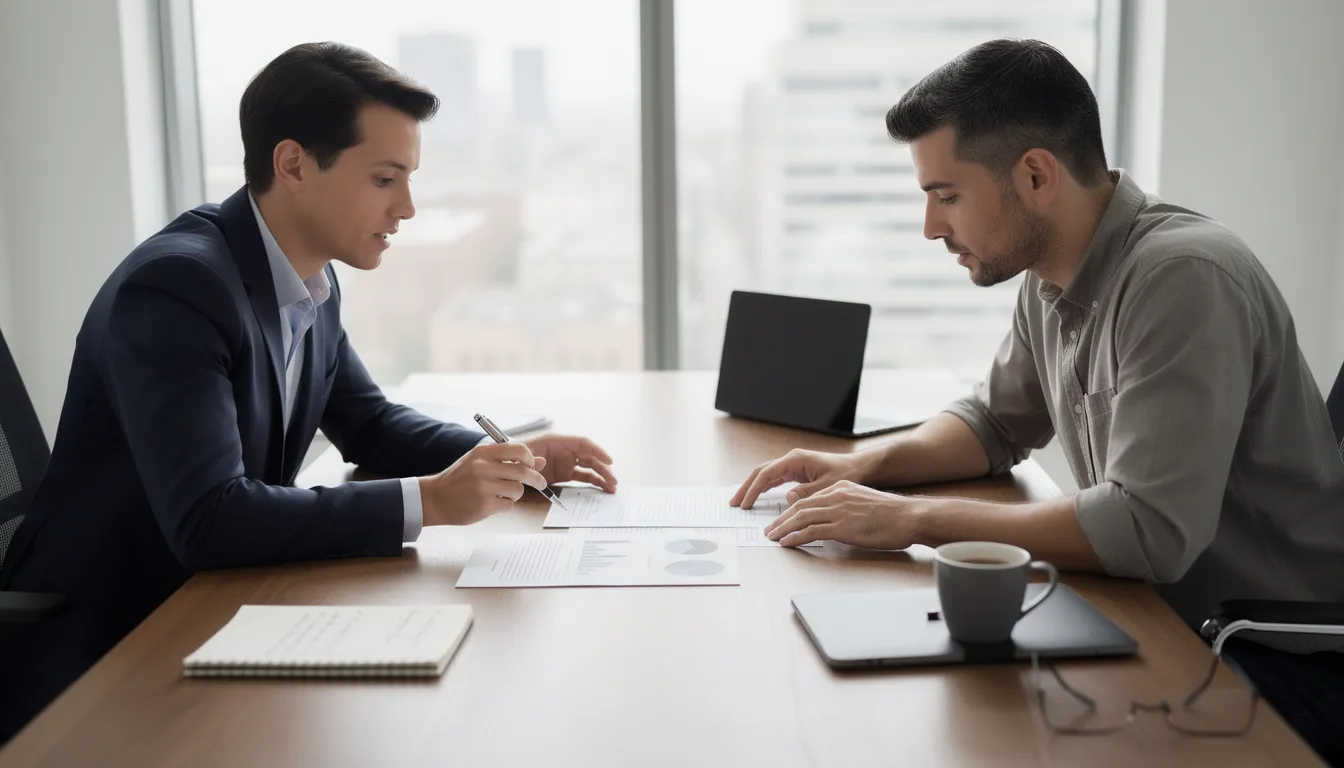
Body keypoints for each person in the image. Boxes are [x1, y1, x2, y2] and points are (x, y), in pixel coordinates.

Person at [731, 39, 1344, 761]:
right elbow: (993, 421)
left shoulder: (1183, 279)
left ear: (1035, 175)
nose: (931, 227)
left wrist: (911, 519)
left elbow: (1147, 528)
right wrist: (863, 467)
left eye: (946, 196)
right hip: (1162, 619)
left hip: (1275, 660)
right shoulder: (1052, 275)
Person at [0, 42, 617, 741]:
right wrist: (433, 502)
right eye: (384, 179)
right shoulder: (178, 289)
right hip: (109, 650)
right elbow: (209, 519)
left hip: (216, 609)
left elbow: (369, 423)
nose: (408, 208)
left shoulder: (309, 279)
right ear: (293, 165)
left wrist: (515, 460)